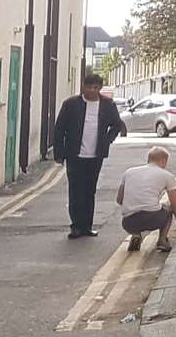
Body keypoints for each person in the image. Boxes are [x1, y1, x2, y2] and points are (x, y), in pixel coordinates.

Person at [53, 73, 126, 240]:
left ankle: (87, 226)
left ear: (100, 88)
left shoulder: (107, 105)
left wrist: (107, 140)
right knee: (75, 191)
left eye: (95, 88)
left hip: (96, 156)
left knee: (89, 191)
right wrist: (59, 153)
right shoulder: (71, 104)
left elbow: (116, 125)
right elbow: (59, 129)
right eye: (89, 87)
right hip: (74, 155)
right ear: (83, 87)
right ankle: (76, 226)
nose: (92, 91)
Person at [115, 146, 176, 253]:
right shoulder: (167, 176)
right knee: (169, 208)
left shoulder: (129, 172)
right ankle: (162, 240)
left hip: (128, 222)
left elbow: (119, 200)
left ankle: (136, 235)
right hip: (153, 219)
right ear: (163, 161)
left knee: (135, 211)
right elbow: (175, 203)